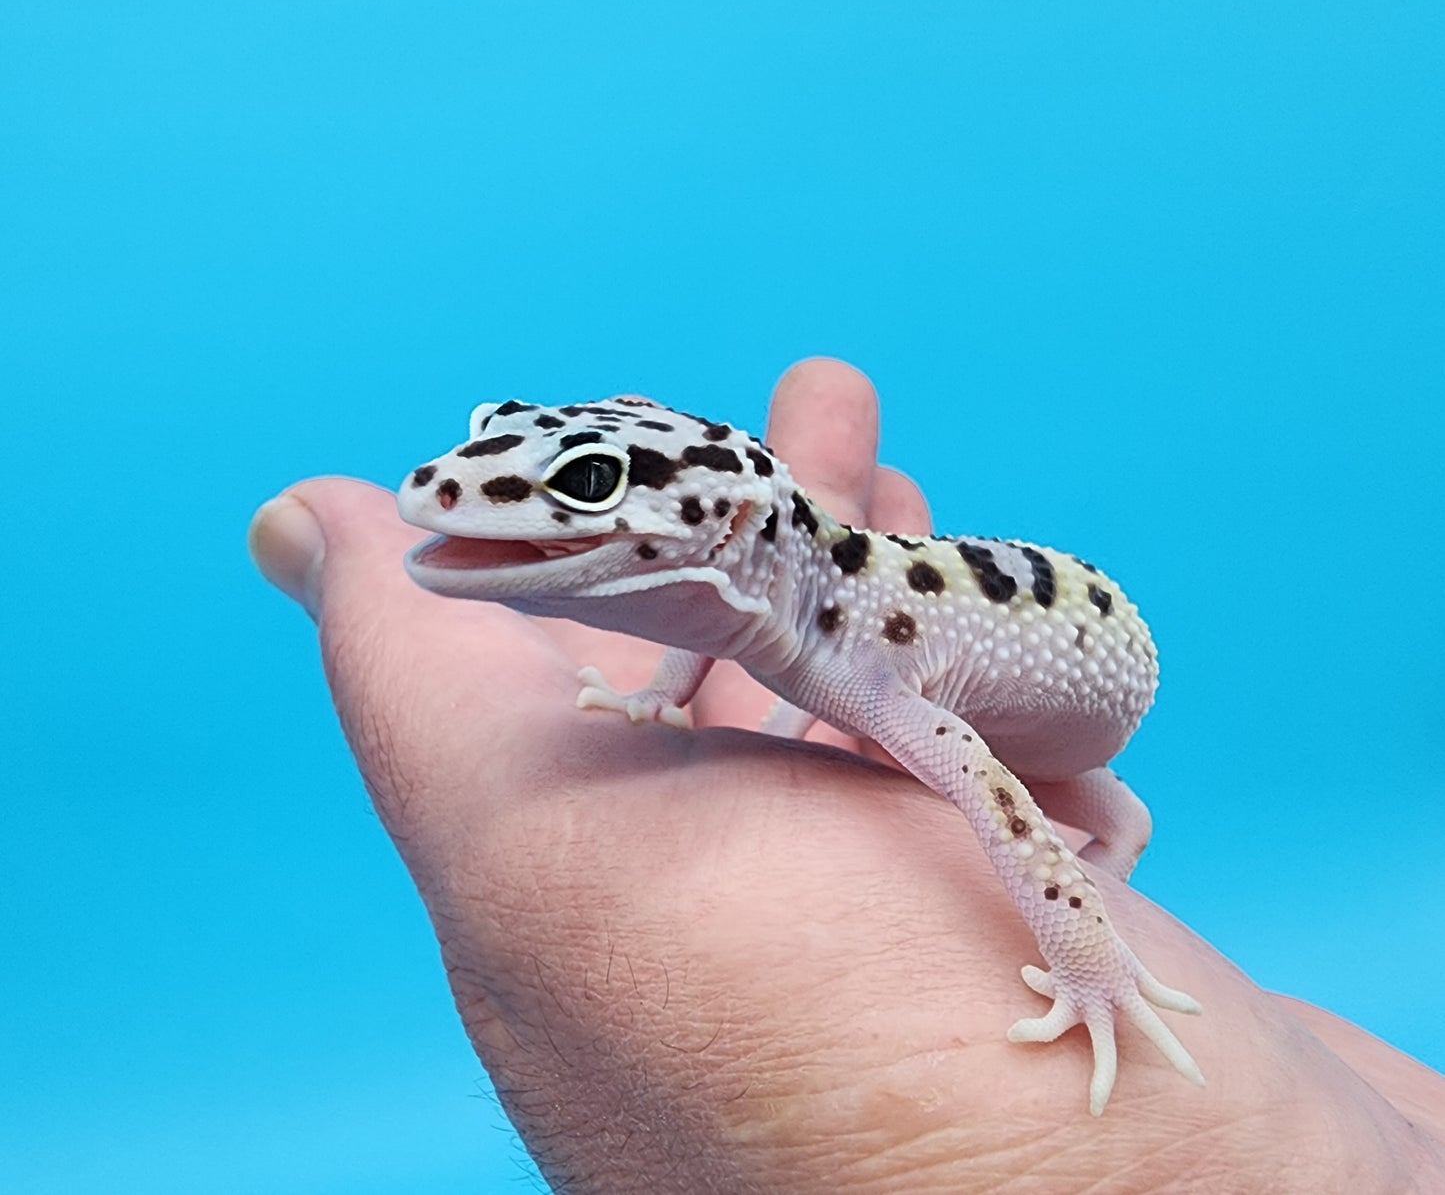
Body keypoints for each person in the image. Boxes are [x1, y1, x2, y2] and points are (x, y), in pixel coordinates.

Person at [249, 358, 1444, 1193]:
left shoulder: (869, 663)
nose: (455, 491)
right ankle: (1114, 868)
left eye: (588, 488)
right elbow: (715, 620)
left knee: (1071, 811)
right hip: (985, 661)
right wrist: (665, 692)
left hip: (1090, 667)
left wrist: (1088, 963)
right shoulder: (760, 604)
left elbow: (999, 805)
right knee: (1092, 815)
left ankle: (1111, 924)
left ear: (724, 524)